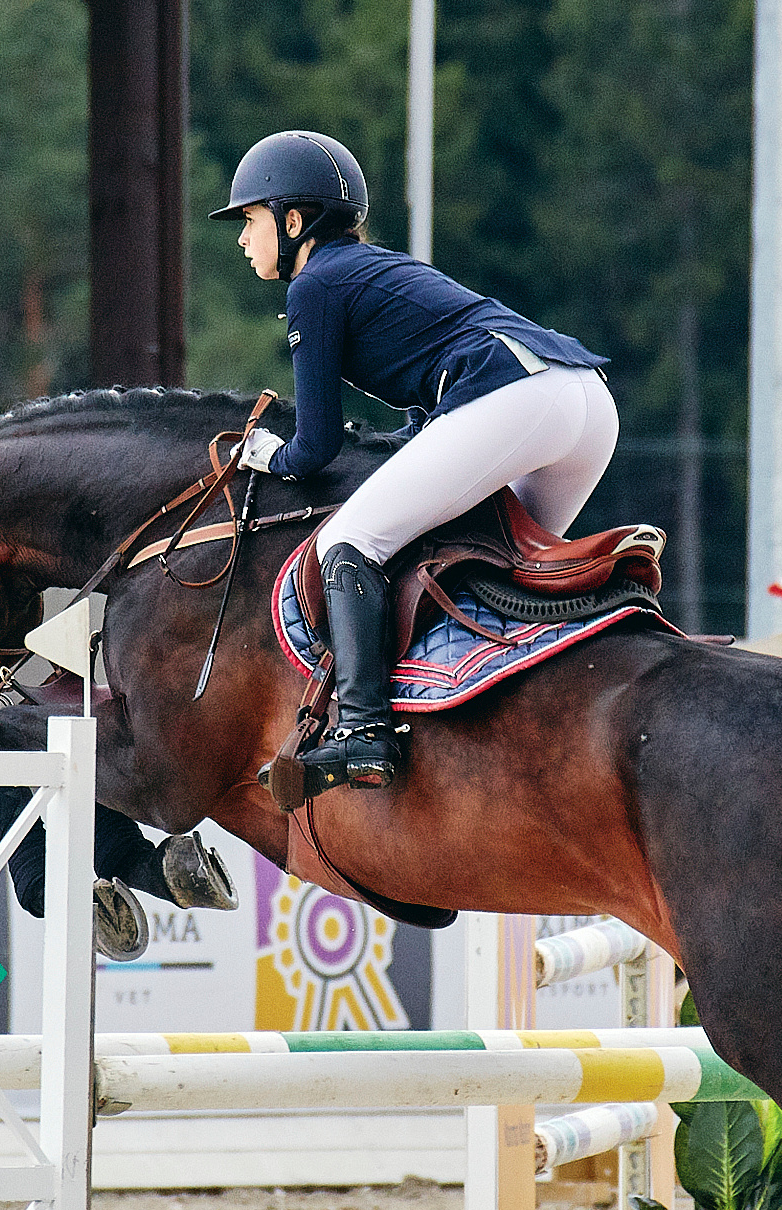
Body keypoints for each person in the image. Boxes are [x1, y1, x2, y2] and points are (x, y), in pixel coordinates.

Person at [210, 130, 616, 797]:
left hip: (517, 398)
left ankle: (365, 732)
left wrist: (262, 455)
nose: (242, 238)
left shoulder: (315, 285)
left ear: (291, 221)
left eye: (250, 220)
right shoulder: (369, 267)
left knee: (349, 539)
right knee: (497, 564)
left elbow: (314, 450)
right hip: (584, 403)